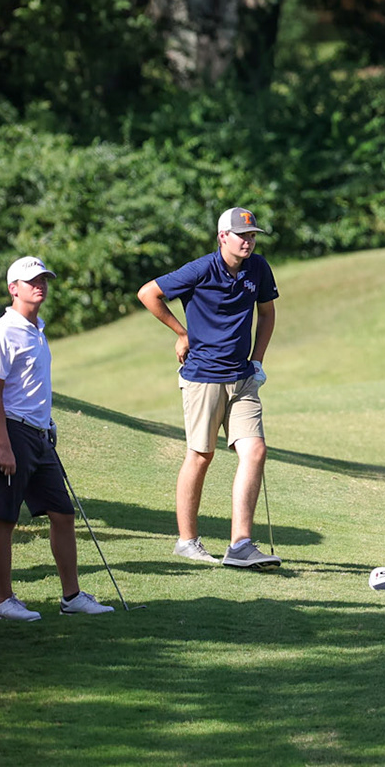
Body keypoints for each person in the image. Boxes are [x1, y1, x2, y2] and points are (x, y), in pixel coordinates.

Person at [136, 207, 281, 569]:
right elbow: (148, 294)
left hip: (243, 377)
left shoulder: (258, 268)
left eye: (252, 235)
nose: (248, 241)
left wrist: (257, 359)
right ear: (223, 238)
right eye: (241, 235)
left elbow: (267, 313)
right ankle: (187, 541)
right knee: (201, 455)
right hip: (203, 377)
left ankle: (241, 545)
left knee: (256, 451)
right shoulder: (200, 269)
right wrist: (181, 332)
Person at [0, 256, 115, 620]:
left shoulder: (37, 329)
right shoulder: (5, 331)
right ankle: (3, 599)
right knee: (4, 518)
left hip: (39, 435)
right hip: (12, 432)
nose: (40, 285)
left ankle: (71, 596)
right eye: (32, 280)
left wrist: (48, 424)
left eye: (44, 279)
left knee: (63, 513)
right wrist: (1, 444)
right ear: (12, 288)